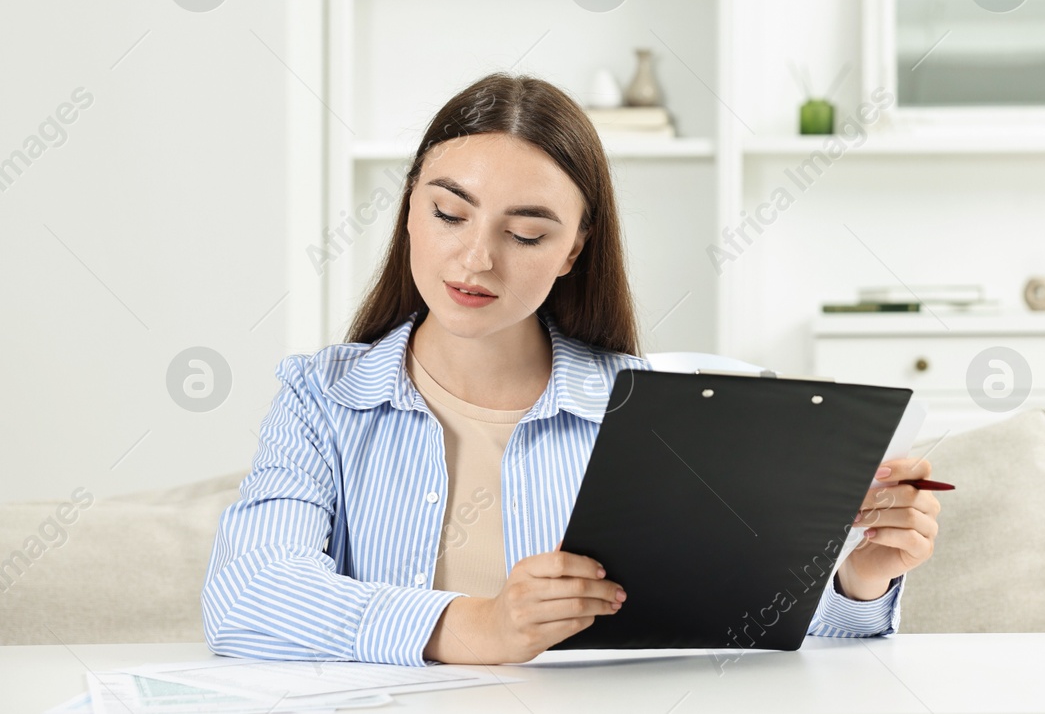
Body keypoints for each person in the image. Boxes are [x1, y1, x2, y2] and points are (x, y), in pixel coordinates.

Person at [201, 72, 942, 666]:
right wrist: (477, 627)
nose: (476, 259)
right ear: (408, 211)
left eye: (525, 232)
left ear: (574, 249)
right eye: (449, 214)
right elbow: (248, 596)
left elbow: (755, 631)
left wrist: (862, 574)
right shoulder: (321, 397)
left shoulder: (650, 411)